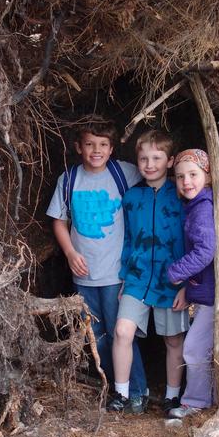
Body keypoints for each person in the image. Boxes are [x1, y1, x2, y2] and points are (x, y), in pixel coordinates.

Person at [46, 116, 148, 410]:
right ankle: (118, 391)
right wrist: (69, 253)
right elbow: (59, 221)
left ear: (112, 148)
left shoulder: (123, 174)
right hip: (84, 275)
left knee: (122, 333)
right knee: (98, 336)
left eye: (103, 145)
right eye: (90, 144)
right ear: (78, 147)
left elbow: (154, 176)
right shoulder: (69, 180)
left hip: (117, 273)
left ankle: (138, 390)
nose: (96, 150)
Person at [108, 129, 189, 414]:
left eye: (157, 157)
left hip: (172, 278)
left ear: (170, 161)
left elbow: (194, 237)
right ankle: (121, 393)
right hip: (137, 277)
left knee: (173, 339)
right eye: (143, 158)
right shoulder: (131, 197)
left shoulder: (181, 194)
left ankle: (172, 396)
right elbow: (128, 239)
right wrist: (124, 276)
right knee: (122, 331)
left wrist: (186, 284)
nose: (149, 164)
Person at [166, 148, 219, 418]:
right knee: (204, 347)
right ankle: (208, 399)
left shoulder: (204, 208)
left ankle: (195, 402)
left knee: (193, 349)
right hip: (207, 290)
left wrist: (176, 273)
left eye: (193, 174)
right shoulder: (201, 204)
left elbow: (206, 250)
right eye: (180, 176)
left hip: (215, 294)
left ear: (208, 176)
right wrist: (188, 288)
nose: (186, 182)